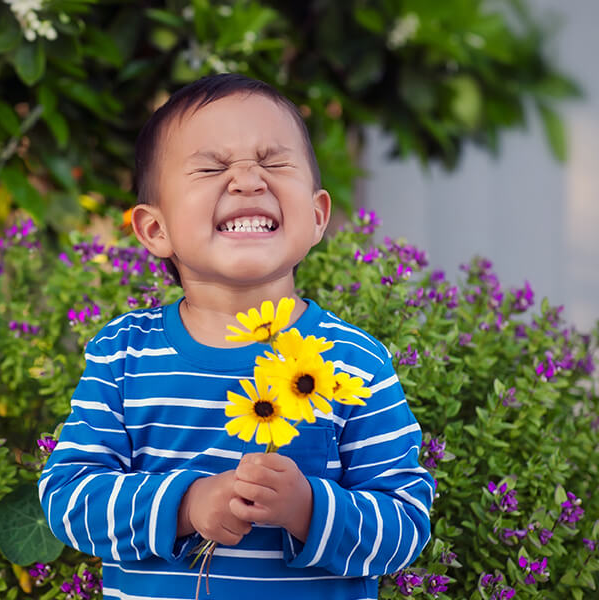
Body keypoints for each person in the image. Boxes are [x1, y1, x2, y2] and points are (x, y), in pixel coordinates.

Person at [38, 73, 434, 600]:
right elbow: (68, 498)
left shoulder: (354, 360)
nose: (248, 180)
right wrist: (184, 506)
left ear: (317, 216)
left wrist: (308, 510)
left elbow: (405, 522)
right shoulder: (124, 355)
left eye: (273, 162)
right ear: (155, 230)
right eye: (210, 166)